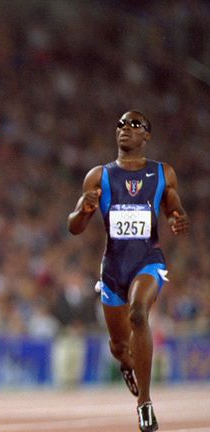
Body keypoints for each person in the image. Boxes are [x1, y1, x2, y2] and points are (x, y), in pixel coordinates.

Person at [67, 111, 189, 432]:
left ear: (146, 135)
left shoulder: (163, 173)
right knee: (120, 346)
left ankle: (145, 404)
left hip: (148, 260)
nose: (125, 128)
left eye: (134, 124)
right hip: (113, 269)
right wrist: (84, 208)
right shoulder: (99, 176)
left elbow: (174, 206)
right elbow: (75, 227)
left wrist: (178, 217)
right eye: (121, 124)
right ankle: (126, 363)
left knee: (138, 314)